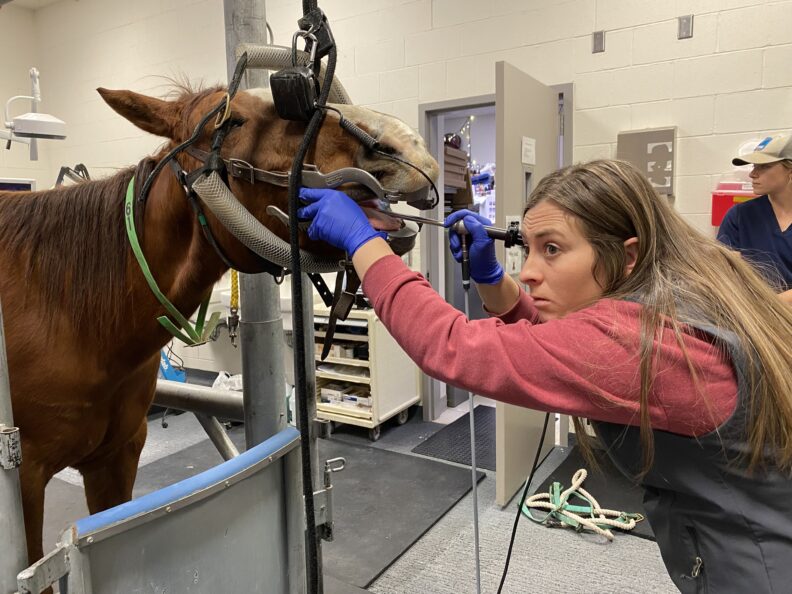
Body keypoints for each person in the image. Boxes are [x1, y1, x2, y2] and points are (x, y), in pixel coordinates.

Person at [298, 159, 792, 593]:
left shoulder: (641, 347)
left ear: (629, 254)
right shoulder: (681, 297)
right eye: (527, 247)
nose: (530, 270)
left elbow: (449, 347)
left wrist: (365, 245)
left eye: (551, 249)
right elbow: (565, 349)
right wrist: (495, 282)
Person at [718, 133, 792, 304]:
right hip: (753, 321)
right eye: (753, 166)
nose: (752, 174)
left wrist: (767, 306)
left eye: (764, 166)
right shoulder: (739, 216)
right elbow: (727, 273)